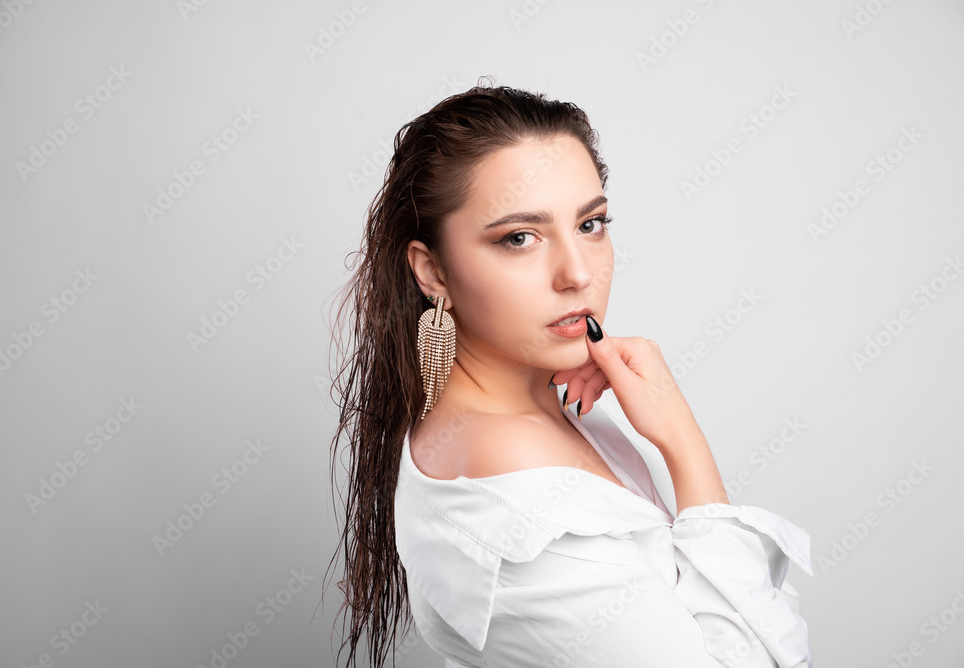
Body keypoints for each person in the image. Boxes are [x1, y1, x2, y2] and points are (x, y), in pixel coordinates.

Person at [326, 76, 814, 667]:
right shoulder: (505, 460)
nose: (577, 273)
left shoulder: (552, 410)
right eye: (520, 238)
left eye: (591, 224)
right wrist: (685, 445)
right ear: (433, 272)